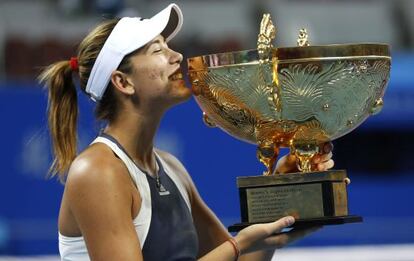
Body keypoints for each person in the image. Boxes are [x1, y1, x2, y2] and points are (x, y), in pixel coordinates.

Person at [39, 3, 334, 261]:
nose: (177, 56)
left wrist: (282, 190)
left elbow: (240, 259)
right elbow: (233, 251)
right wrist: (236, 246)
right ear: (123, 82)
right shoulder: (96, 172)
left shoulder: (172, 169)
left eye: (168, 46)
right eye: (157, 50)